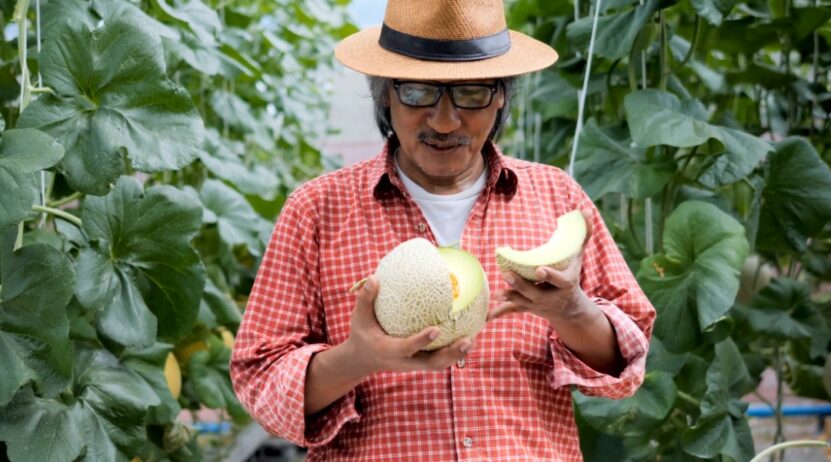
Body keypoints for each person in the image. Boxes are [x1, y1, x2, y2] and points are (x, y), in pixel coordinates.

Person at [230, 0, 656, 460]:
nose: (445, 121)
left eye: (471, 93)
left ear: (500, 96)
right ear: (385, 94)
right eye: (418, 92)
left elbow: (627, 365)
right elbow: (261, 384)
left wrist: (572, 311)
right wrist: (359, 358)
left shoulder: (557, 199)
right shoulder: (316, 210)